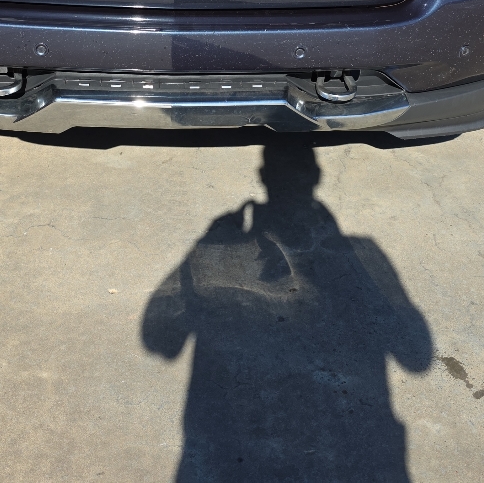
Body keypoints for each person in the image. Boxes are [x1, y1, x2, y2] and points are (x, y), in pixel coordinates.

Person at [142, 137, 433, 481]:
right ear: (316, 177)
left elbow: (159, 339)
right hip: (348, 452)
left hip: (238, 447)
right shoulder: (363, 251)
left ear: (263, 176)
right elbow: (417, 356)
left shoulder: (227, 245)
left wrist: (209, 244)